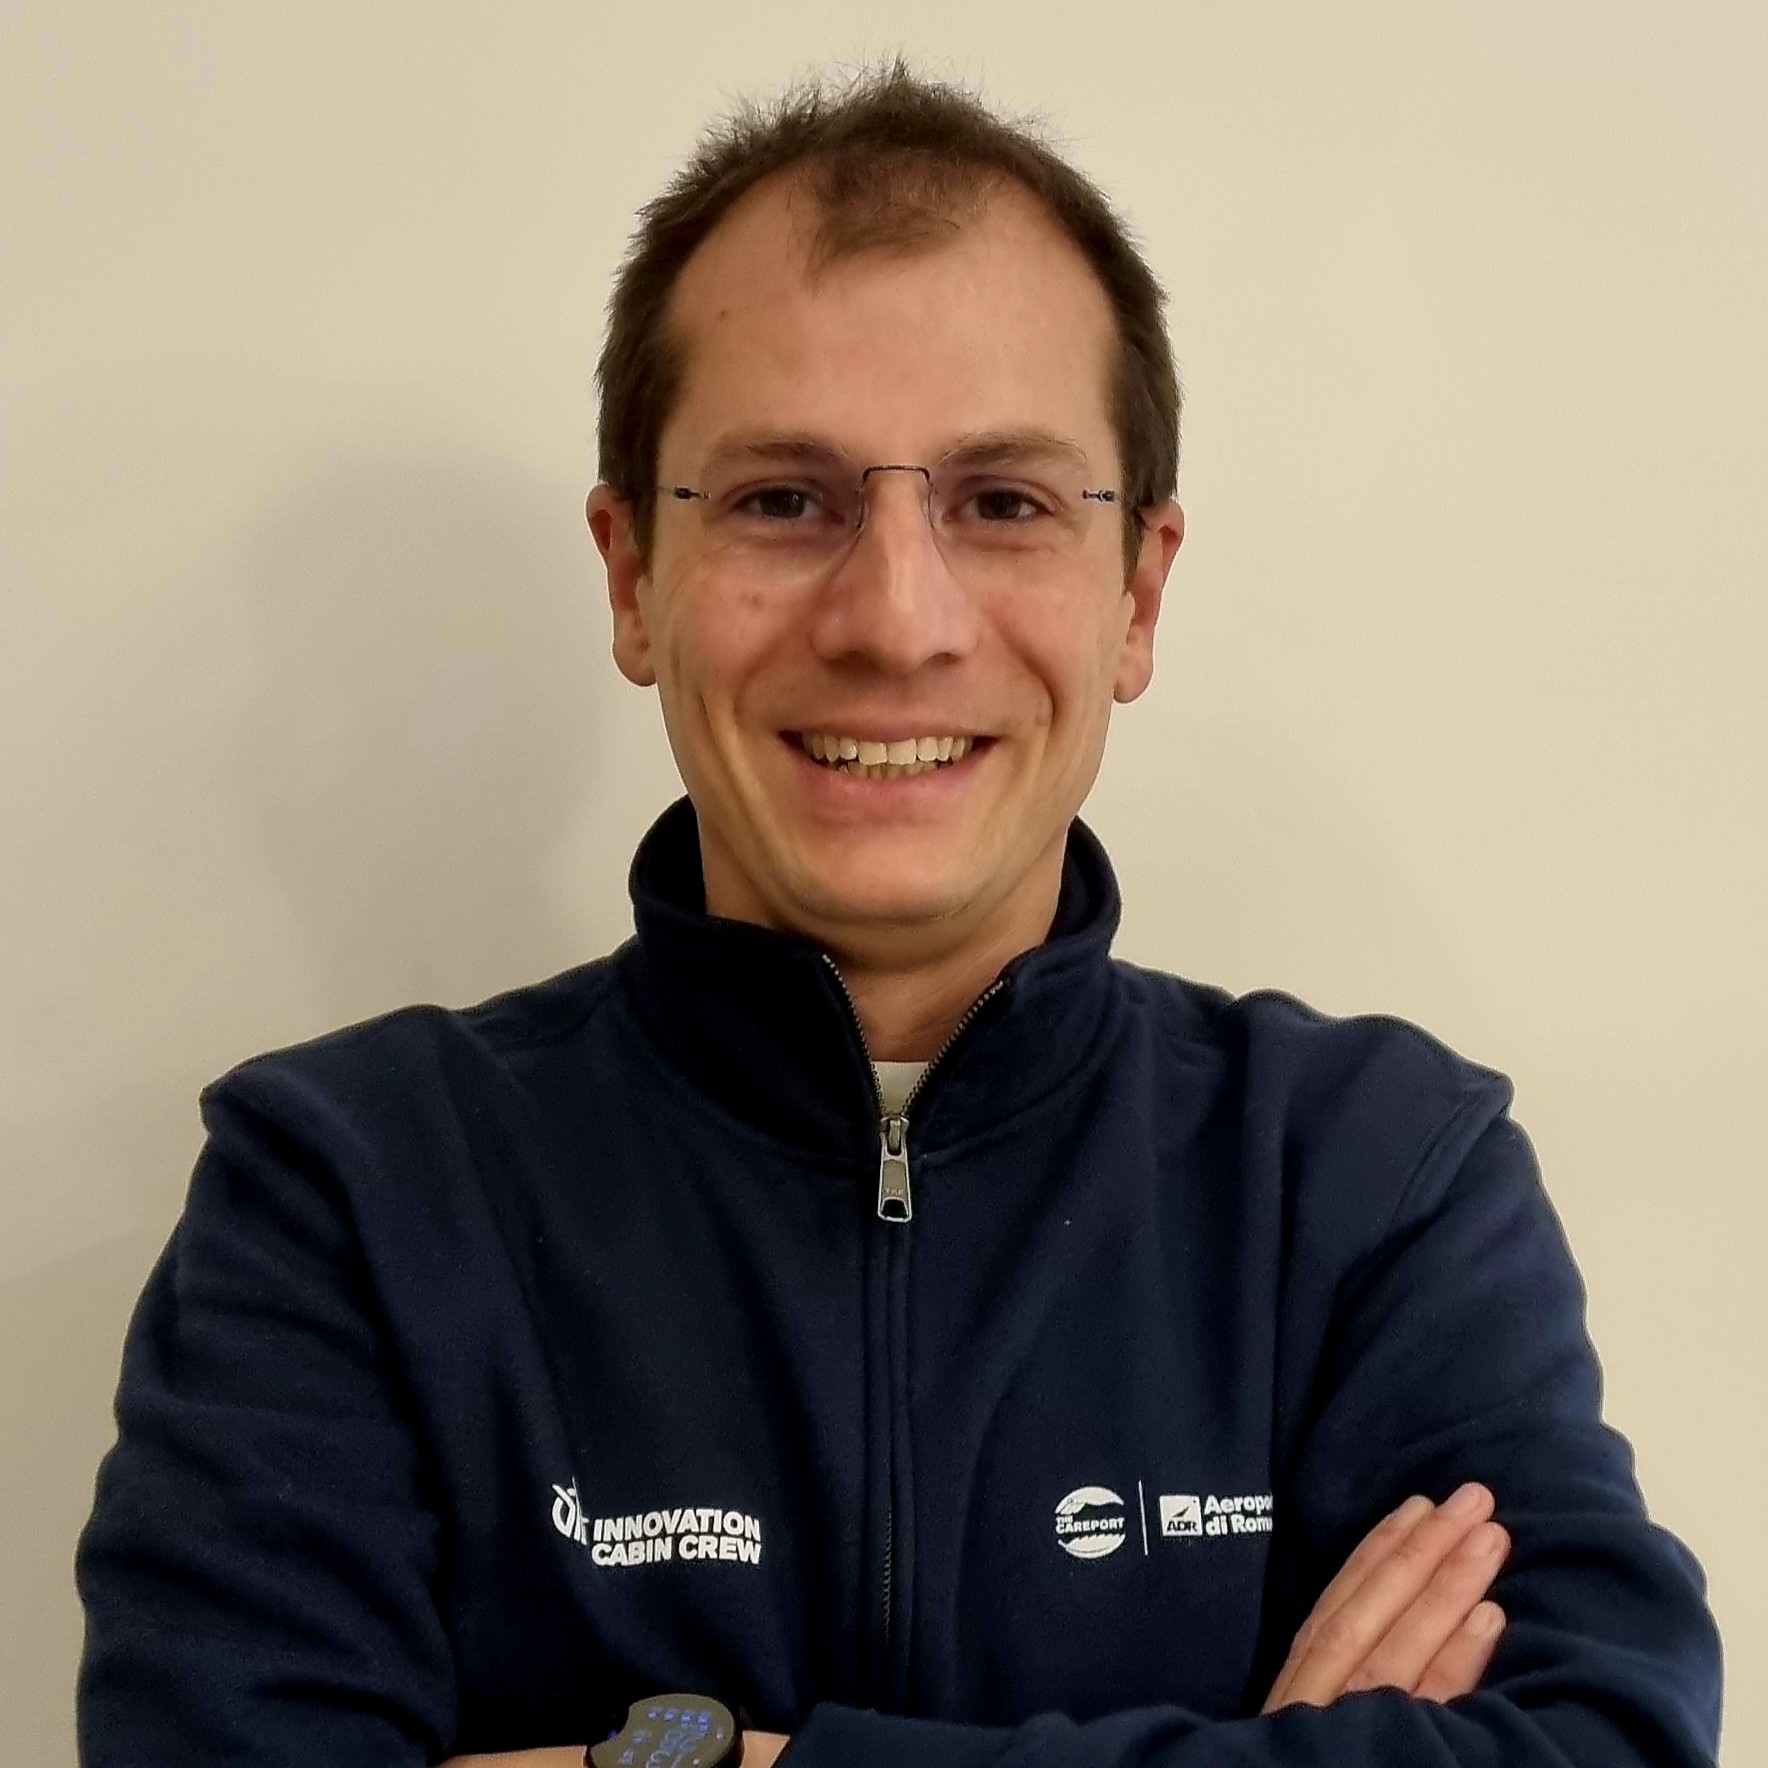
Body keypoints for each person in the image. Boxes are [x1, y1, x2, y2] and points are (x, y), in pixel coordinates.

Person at [76, 62, 1722, 1768]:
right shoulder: (345, 1196)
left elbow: (1607, 1739)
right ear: (633, 577)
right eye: (783, 500)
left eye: (1004, 504)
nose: (895, 618)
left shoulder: (1375, 1177)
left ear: (1138, 596)